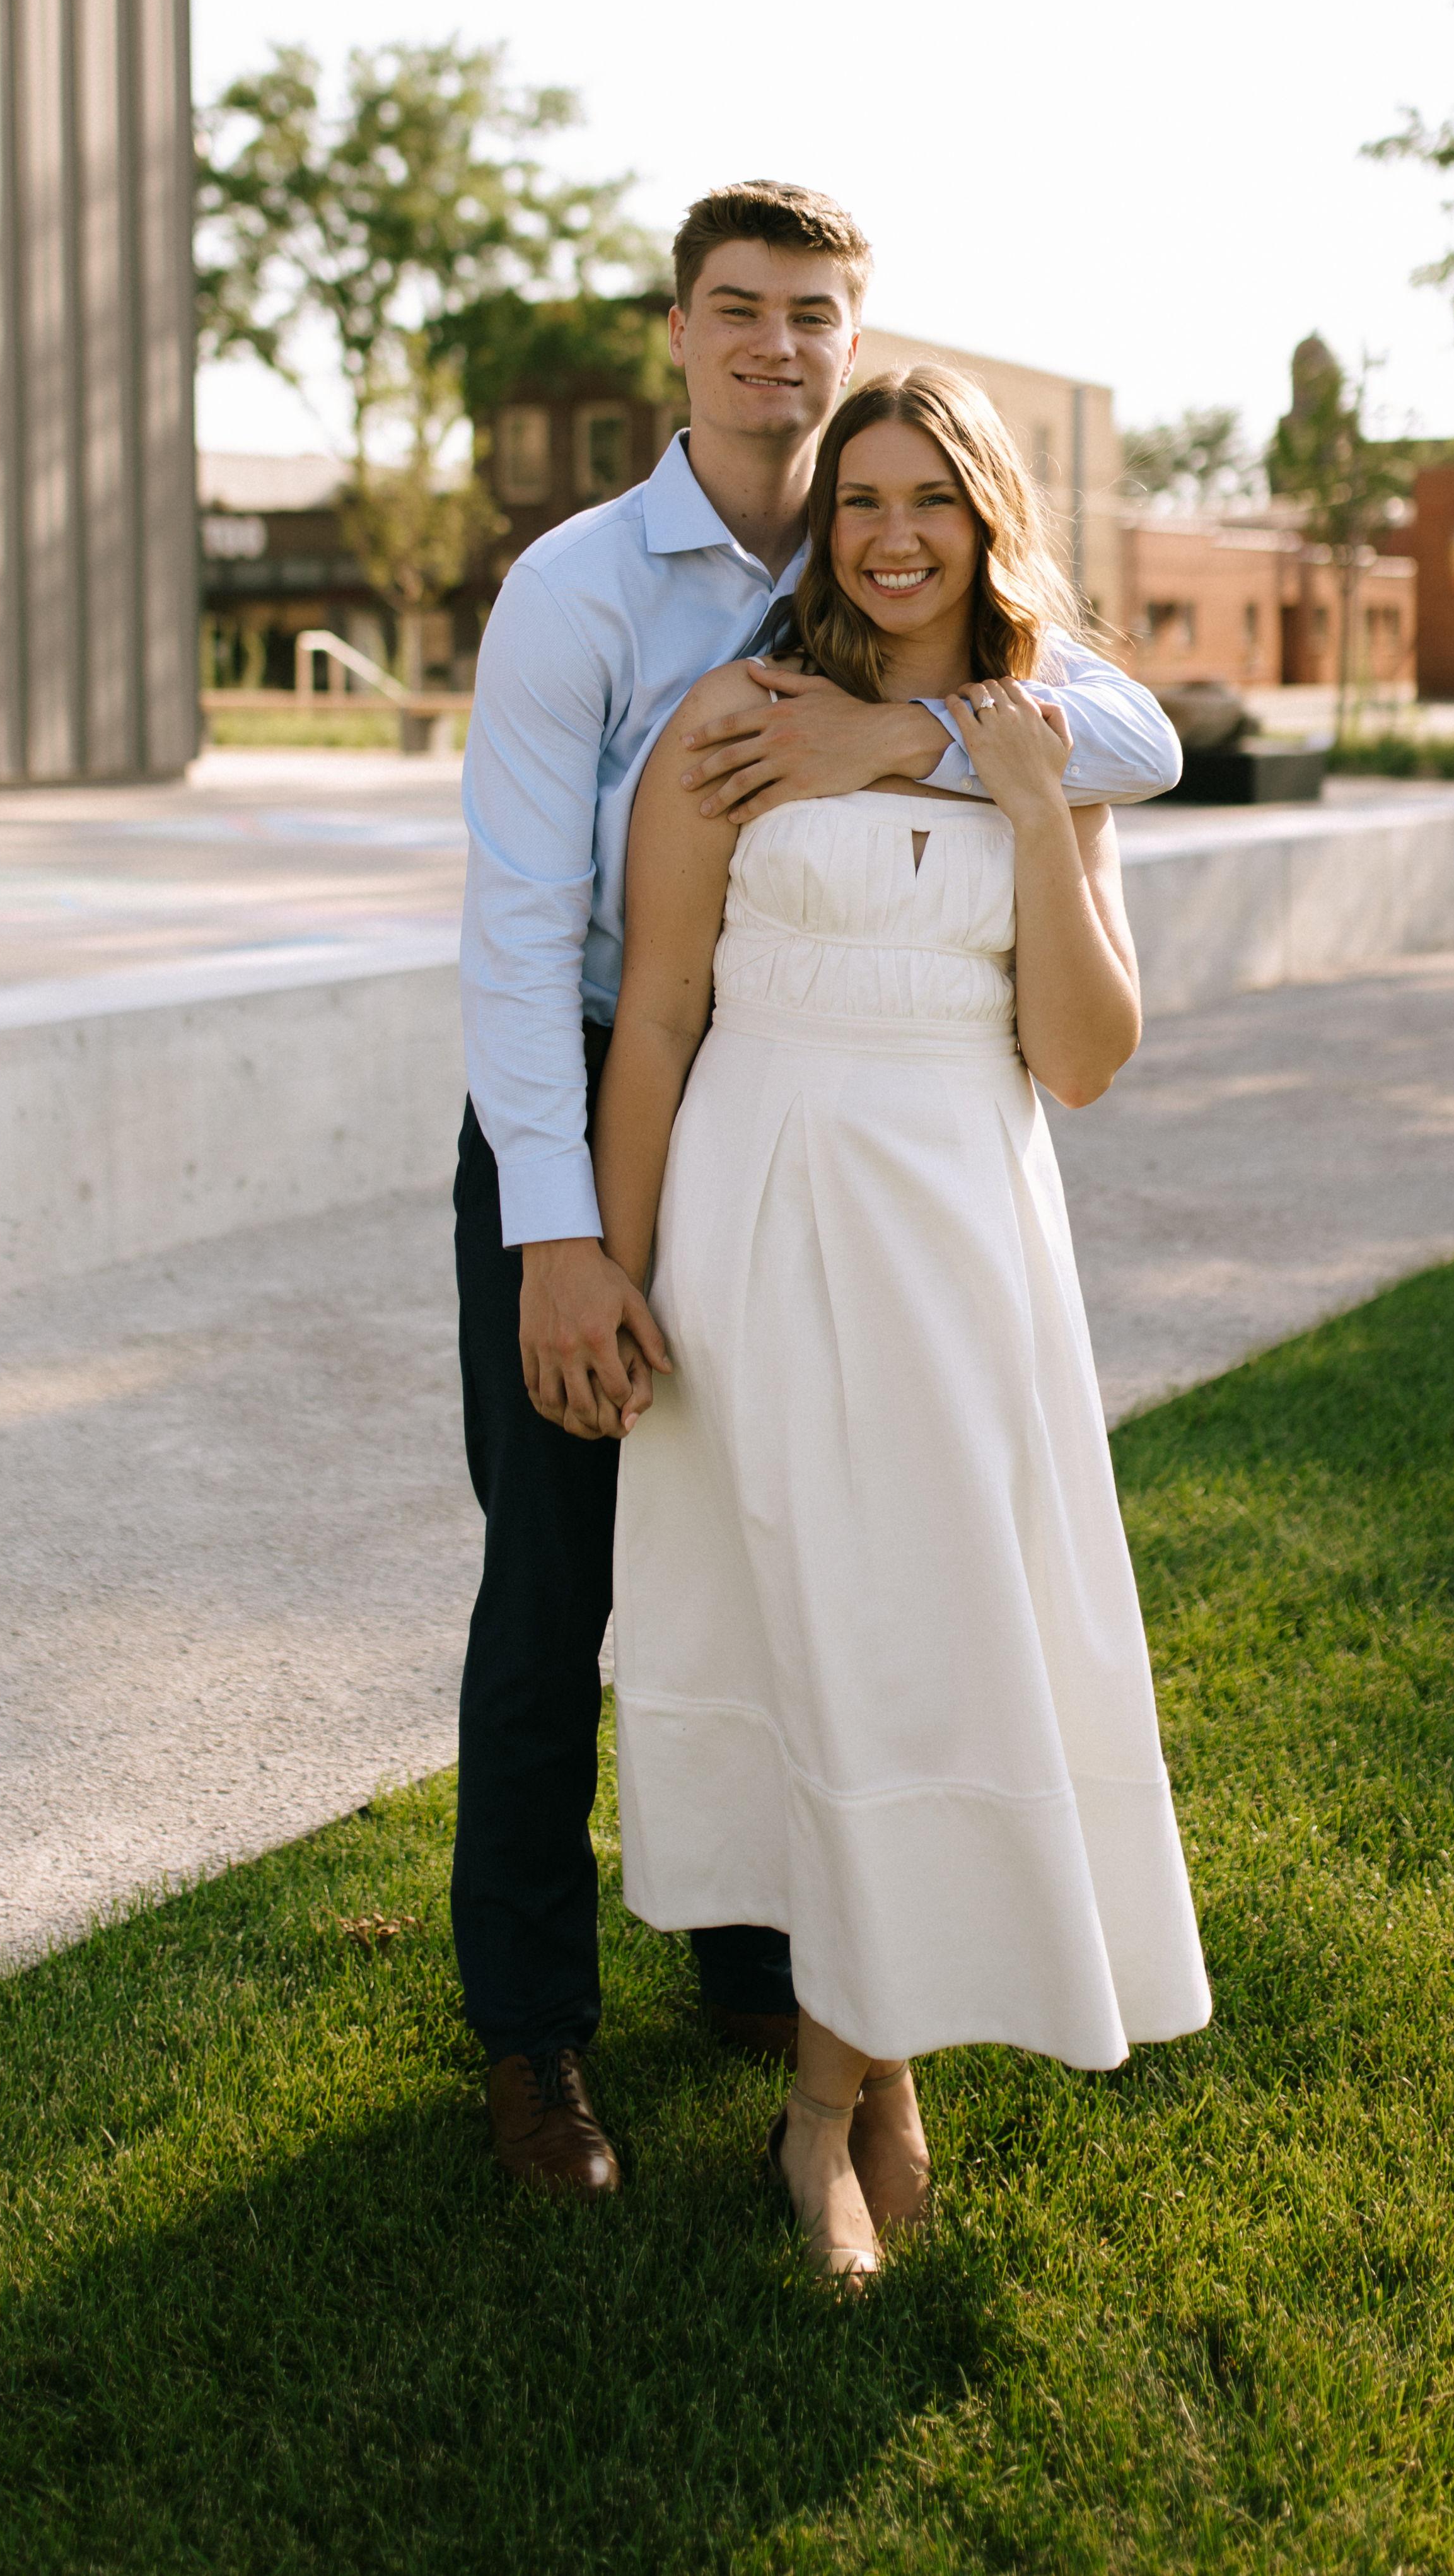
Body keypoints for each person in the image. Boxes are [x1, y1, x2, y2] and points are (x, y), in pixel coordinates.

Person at [453, 184, 1182, 2198]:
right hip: (593, 1113)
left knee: (824, 1571)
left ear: (854, 345)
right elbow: (525, 946)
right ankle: (532, 2039)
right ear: (679, 332)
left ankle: (774, 1976)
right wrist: (568, 1240)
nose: (774, 343)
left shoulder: (879, 562)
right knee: (560, 1588)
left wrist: (899, 734)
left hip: (859, 1142)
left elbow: (1126, 734)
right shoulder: (580, 589)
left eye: (811, 313)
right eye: (737, 307)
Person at [593, 361, 1214, 2287]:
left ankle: (847, 2086)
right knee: (826, 1646)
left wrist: (1021, 801)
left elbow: (1081, 1060)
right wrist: (610, 1271)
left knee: (935, 1639)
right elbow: (660, 1012)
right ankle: (847, 2101)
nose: (888, 534)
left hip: (962, 1229)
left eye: (927, 498)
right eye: (857, 497)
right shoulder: (736, 717)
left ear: (983, 515)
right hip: (763, 1211)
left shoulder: (1050, 743)